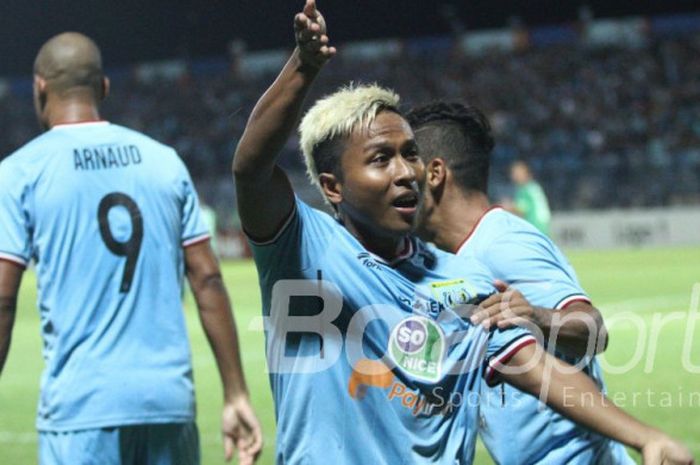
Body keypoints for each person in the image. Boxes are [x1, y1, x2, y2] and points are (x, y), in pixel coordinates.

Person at [232, 2, 693, 464]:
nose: (405, 172)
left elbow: (542, 372)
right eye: (380, 159)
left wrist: (644, 436)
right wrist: (303, 66)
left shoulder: (463, 277)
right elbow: (251, 169)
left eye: (410, 153)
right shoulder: (304, 248)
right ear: (333, 187)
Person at [0, 32, 262, 465]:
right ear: (104, 87)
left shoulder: (19, 172)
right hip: (168, 404)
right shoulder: (164, 161)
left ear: (39, 87)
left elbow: (3, 298)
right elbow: (208, 278)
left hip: (81, 408)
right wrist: (235, 393)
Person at [406, 101, 629, 464]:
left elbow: (594, 330)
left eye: (406, 160)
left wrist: (537, 315)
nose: (397, 177)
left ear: (434, 173)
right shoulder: (447, 258)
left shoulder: (503, 243)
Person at [509, 159, 552, 235]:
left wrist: (506, 207)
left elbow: (521, 209)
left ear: (525, 173)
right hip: (544, 223)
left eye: (516, 173)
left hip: (534, 224)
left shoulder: (524, 190)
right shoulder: (534, 186)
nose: (514, 176)